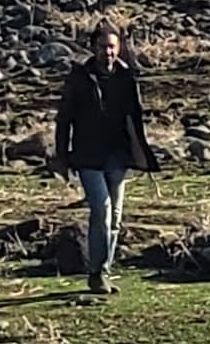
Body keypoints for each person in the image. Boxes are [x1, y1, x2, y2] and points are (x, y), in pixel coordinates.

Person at [53, 24, 154, 296]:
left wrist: (141, 153)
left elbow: (136, 117)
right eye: (102, 47)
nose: (107, 52)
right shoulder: (79, 78)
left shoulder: (126, 77)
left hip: (117, 154)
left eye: (112, 46)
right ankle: (96, 273)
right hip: (88, 154)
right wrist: (61, 156)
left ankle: (105, 270)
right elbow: (64, 118)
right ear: (93, 48)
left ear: (118, 47)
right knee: (102, 209)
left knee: (116, 217)